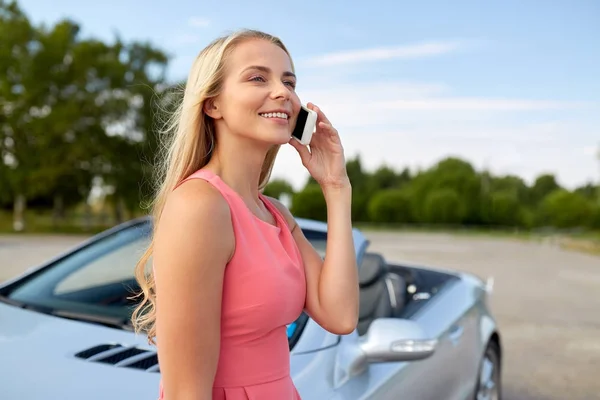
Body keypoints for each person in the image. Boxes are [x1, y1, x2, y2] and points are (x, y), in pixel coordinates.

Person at [131, 29, 359, 400]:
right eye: (258, 77)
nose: (283, 91)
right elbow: (185, 393)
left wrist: (336, 188)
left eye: (289, 81)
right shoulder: (199, 206)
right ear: (212, 104)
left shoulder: (276, 214)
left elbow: (341, 316)